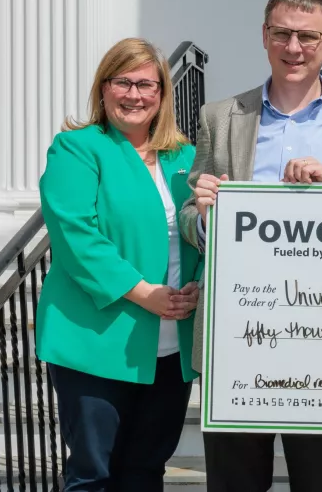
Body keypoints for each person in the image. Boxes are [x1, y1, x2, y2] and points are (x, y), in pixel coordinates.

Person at [178, 0, 322, 492]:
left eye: (308, 36)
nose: (294, 48)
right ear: (264, 37)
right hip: (237, 331)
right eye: (282, 34)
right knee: (235, 481)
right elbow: (193, 210)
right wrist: (205, 218)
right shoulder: (220, 117)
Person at [37, 37, 202, 491]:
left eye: (146, 84)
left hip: (171, 346)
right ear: (103, 88)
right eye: (123, 82)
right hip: (96, 339)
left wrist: (198, 285)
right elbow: (76, 237)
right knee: (94, 474)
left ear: (163, 94)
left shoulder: (185, 158)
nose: (135, 95)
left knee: (146, 472)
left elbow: (203, 235)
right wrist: (146, 293)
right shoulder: (77, 149)